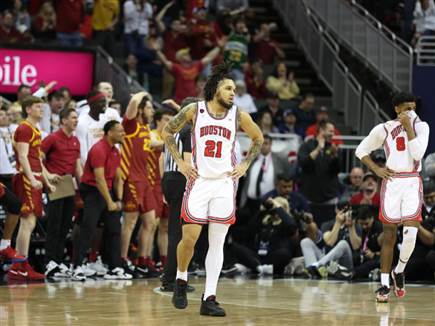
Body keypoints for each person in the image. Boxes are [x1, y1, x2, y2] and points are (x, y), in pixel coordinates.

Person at [162, 64, 263, 316]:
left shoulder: (238, 115)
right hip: (199, 182)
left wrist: (245, 164)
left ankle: (209, 298)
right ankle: (181, 280)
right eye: (228, 88)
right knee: (190, 239)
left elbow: (258, 138)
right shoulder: (194, 110)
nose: (233, 93)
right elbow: (167, 131)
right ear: (214, 89)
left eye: (234, 89)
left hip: (223, 185)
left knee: (216, 243)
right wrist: (181, 161)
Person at [355, 92, 430, 302]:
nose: (410, 112)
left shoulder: (422, 127)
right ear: (397, 109)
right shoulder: (384, 128)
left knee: (410, 234)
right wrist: (376, 169)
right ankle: (385, 284)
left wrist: (408, 127)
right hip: (392, 182)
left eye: (413, 108)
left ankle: (400, 270)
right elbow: (361, 150)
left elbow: (417, 154)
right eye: (406, 108)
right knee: (388, 236)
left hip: (412, 181)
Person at [73, 120, 132, 281]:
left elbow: (119, 177)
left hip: (107, 190)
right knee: (88, 227)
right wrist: (110, 202)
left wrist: (118, 200)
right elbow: (99, 179)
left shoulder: (115, 151)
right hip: (92, 190)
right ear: (109, 133)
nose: (123, 134)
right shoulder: (99, 149)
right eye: (120, 131)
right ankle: (77, 266)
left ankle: (114, 267)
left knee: (114, 228)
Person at [8, 96, 57, 281]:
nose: (41, 109)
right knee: (27, 222)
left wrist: (46, 179)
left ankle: (22, 264)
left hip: (34, 177)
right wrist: (31, 178)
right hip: (26, 178)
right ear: (28, 109)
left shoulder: (35, 130)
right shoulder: (24, 128)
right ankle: (19, 266)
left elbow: (37, 159)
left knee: (31, 223)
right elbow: (22, 157)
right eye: (37, 106)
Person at [160, 97, 196, 292]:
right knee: (179, 232)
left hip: (168, 178)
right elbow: (188, 163)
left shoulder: (172, 128)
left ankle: (171, 276)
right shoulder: (188, 132)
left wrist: (162, 184)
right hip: (181, 179)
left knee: (176, 230)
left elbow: (161, 158)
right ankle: (171, 279)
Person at [41, 108, 82, 278]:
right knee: (54, 224)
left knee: (65, 224)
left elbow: (77, 166)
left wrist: (82, 187)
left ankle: (58, 261)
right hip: (56, 184)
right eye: (73, 118)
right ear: (63, 120)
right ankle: (49, 262)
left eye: (76, 118)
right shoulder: (52, 138)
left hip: (69, 184)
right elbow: (37, 158)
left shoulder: (75, 141)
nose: (76, 121)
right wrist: (48, 176)